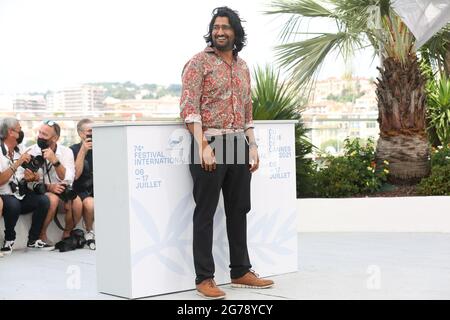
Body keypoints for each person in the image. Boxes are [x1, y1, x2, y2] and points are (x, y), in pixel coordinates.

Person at [180, 6, 274, 299]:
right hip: (208, 142)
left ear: (236, 32)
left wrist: (253, 145)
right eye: (215, 27)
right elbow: (189, 107)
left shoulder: (242, 66)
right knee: (205, 212)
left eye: (225, 27)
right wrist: (203, 146)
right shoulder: (198, 63)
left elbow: (247, 110)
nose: (219, 32)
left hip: (237, 143)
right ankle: (204, 278)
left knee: (239, 210)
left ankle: (240, 271)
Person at [0, 117, 53, 255]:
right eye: (20, 129)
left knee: (43, 200)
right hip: (5, 194)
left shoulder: (20, 150)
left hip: (20, 193)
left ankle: (33, 239)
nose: (21, 132)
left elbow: (26, 175)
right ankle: (9, 240)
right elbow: (1, 180)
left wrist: (32, 176)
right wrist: (18, 163)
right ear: (11, 132)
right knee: (13, 204)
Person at [28, 120, 82, 242]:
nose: (40, 136)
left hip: (60, 189)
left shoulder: (66, 151)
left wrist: (55, 161)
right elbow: (29, 182)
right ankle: (41, 235)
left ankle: (67, 233)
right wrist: (49, 187)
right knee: (52, 199)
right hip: (43, 191)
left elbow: (69, 178)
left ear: (55, 138)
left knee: (77, 202)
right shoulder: (32, 151)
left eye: (44, 135)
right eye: (40, 132)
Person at [70, 119, 95, 249]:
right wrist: (83, 151)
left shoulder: (103, 147)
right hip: (81, 190)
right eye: (90, 132)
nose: (93, 134)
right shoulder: (73, 150)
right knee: (89, 203)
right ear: (81, 134)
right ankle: (89, 232)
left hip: (100, 189)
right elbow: (75, 175)